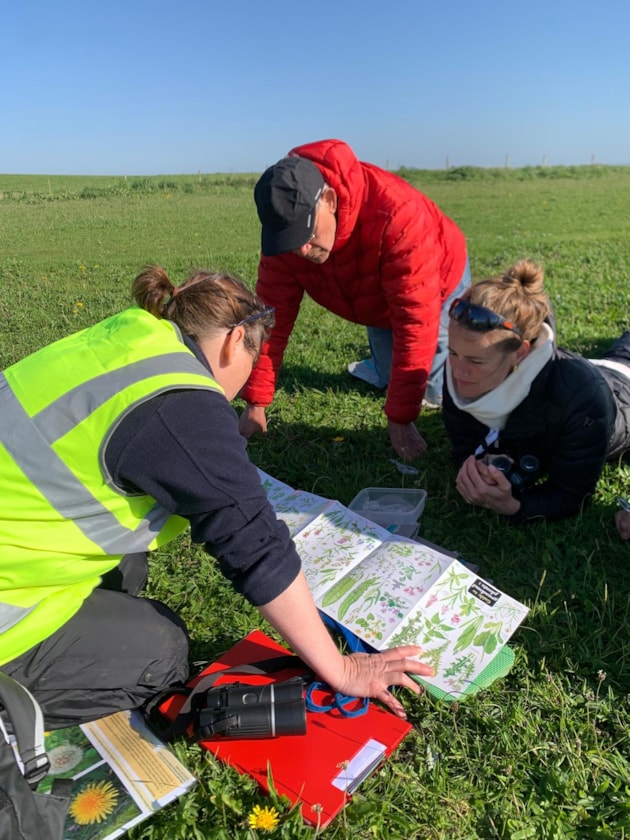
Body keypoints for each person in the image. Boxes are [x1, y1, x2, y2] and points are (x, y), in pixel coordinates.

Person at [0, 265, 433, 729]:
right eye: (251, 366)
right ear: (235, 341)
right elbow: (255, 544)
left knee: (129, 565)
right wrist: (342, 667)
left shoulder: (127, 337)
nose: (239, 391)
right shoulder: (181, 403)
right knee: (160, 654)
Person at [238, 139, 470, 461]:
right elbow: (270, 322)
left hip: (440, 277)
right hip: (372, 299)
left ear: (330, 200)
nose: (301, 250)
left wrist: (400, 420)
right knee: (394, 376)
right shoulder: (287, 240)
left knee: (438, 387)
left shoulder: (397, 215)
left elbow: (415, 321)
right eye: (290, 240)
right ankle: (379, 364)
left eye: (306, 235)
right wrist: (256, 401)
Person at [442, 259, 630, 524]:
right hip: (595, 369)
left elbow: (572, 493)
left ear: (520, 353)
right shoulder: (459, 369)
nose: (458, 371)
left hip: (621, 392)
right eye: (452, 353)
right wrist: (476, 464)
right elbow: (463, 441)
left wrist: (514, 507)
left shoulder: (582, 400)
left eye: (475, 361)